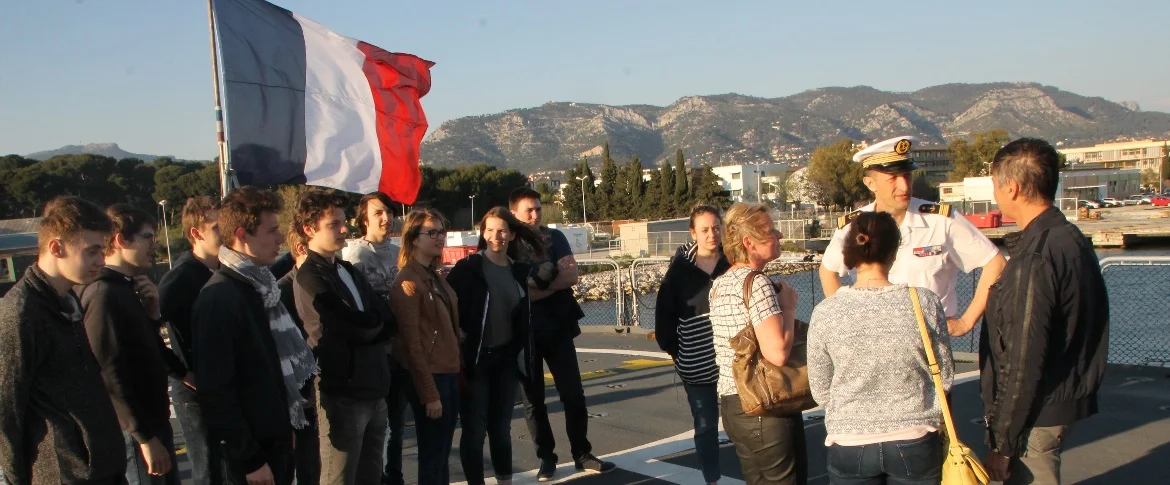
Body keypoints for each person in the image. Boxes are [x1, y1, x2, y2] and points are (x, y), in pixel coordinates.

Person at [981, 138, 1109, 485]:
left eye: (995, 184)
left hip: (1036, 412)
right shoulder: (1070, 238)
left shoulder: (1034, 260)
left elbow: (1024, 358)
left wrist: (1003, 443)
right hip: (1062, 396)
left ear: (1012, 187)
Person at [807, 211, 954, 485]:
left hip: (849, 439)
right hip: (915, 436)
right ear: (893, 252)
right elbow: (944, 377)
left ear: (850, 252)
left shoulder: (826, 312)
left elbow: (819, 389)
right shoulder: (925, 303)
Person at [819, 135, 1006, 337]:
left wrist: (965, 323)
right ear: (870, 183)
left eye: (907, 176)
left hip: (928, 343)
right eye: (893, 178)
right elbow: (827, 271)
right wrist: (847, 323)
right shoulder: (853, 225)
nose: (904, 186)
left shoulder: (941, 220)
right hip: (875, 341)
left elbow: (995, 263)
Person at [191, 187, 316, 485]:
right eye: (272, 231)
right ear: (242, 234)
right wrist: (249, 459)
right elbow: (217, 391)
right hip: (253, 459)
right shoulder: (220, 299)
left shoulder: (262, 290)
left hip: (276, 444)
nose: (281, 239)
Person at [0, 196, 125, 485]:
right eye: (92, 251)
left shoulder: (67, 301)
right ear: (57, 247)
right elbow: (6, 411)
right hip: (63, 475)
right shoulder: (20, 314)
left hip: (102, 469)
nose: (101, 261)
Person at [509, 187, 615, 481]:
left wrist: (542, 284)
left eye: (538, 209)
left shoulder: (555, 238)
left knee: (574, 394)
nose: (535, 214)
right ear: (514, 214)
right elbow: (516, 293)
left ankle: (582, 453)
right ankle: (546, 458)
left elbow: (571, 276)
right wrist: (552, 280)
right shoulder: (510, 245)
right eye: (528, 210)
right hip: (525, 333)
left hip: (558, 328)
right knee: (533, 401)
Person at [292, 190, 395, 485]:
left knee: (371, 475)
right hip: (344, 394)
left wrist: (370, 324)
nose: (344, 228)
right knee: (339, 478)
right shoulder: (310, 276)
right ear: (309, 229)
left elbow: (387, 317)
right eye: (333, 224)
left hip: (374, 388)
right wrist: (372, 324)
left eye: (342, 221)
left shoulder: (347, 269)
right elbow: (343, 327)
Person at [81, 205, 180, 485]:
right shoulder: (104, 294)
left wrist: (152, 316)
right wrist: (144, 437)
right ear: (122, 241)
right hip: (136, 434)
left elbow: (139, 353)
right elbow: (108, 372)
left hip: (151, 426)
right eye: (148, 237)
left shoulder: (127, 288)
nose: (154, 244)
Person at [708, 202, 805, 485]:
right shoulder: (757, 283)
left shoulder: (719, 285)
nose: (779, 235)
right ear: (749, 243)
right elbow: (776, 353)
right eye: (771, 231)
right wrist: (788, 307)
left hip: (733, 405)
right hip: (766, 405)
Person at [447, 207, 545, 485]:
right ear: (482, 233)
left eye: (502, 230)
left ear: (512, 234)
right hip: (477, 361)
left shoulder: (517, 271)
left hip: (506, 360)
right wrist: (456, 331)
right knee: (475, 430)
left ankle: (504, 480)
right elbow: (446, 300)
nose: (495, 236)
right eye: (489, 230)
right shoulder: (469, 268)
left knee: (501, 430)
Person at [654, 204, 730, 485]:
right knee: (706, 424)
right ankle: (712, 479)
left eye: (716, 227)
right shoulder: (679, 272)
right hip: (696, 366)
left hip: (735, 363)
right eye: (705, 229)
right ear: (693, 232)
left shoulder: (733, 262)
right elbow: (664, 318)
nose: (712, 234)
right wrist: (679, 354)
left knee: (743, 422)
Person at [337, 192, 407, 485]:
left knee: (398, 422)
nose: (385, 217)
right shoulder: (356, 255)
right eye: (378, 213)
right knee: (376, 426)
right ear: (363, 219)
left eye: (388, 212)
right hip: (375, 353)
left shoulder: (399, 252)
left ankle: (395, 475)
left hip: (400, 350)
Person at [387, 208, 462, 485]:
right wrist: (429, 393)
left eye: (441, 231)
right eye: (431, 232)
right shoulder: (407, 282)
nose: (439, 237)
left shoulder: (433, 276)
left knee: (440, 455)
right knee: (432, 457)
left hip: (448, 372)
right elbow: (411, 344)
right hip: (432, 377)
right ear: (414, 239)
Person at [157, 196, 221, 485]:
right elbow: (147, 335)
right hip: (194, 395)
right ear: (196, 233)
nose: (228, 234)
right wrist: (182, 373)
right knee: (207, 471)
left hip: (222, 387)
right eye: (218, 228)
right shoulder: (179, 279)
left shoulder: (223, 269)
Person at [275, 235, 319, 485]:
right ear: (301, 248)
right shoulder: (282, 290)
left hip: (325, 385)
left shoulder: (326, 280)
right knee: (308, 462)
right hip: (301, 393)